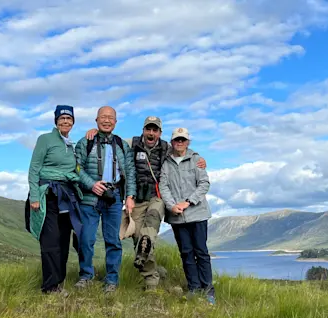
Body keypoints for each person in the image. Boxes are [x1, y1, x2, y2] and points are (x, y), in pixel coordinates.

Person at [84, 116, 205, 291]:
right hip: (136, 200)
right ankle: (152, 278)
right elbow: (110, 140)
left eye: (155, 130)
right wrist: (96, 132)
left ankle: (150, 272)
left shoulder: (167, 147)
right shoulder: (130, 143)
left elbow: (183, 149)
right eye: (148, 129)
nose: (151, 133)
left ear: (159, 133)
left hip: (157, 197)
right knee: (138, 240)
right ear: (143, 130)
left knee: (151, 223)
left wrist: (199, 158)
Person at [74, 106, 137, 293]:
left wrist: (130, 196)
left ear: (116, 122)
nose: (107, 120)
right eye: (103, 117)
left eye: (111, 117)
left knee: (113, 241)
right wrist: (91, 184)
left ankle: (112, 280)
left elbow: (131, 172)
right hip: (89, 197)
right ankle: (85, 276)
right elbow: (76, 168)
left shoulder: (122, 145)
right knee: (86, 239)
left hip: (114, 197)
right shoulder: (85, 142)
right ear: (96, 120)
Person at [25, 105, 84, 294]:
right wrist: (34, 196)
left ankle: (59, 281)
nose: (66, 121)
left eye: (69, 119)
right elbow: (34, 168)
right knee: (50, 241)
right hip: (47, 195)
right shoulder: (45, 140)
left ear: (73, 122)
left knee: (63, 240)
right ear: (56, 121)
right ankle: (50, 286)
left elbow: (74, 171)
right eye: (62, 118)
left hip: (66, 196)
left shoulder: (71, 145)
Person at [158, 127, 215, 304]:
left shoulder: (196, 160)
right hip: (177, 217)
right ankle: (194, 288)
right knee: (186, 253)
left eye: (183, 140)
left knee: (201, 252)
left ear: (188, 142)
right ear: (172, 142)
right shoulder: (166, 163)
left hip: (197, 214)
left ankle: (208, 290)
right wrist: (171, 205)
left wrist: (188, 202)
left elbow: (204, 184)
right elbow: (163, 186)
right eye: (177, 140)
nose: (180, 143)